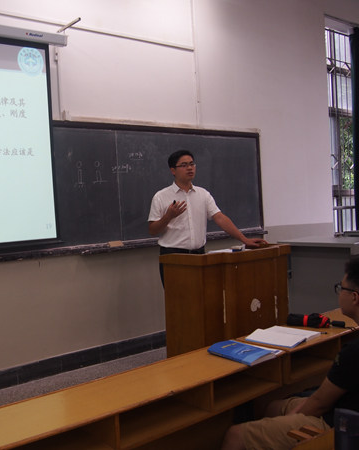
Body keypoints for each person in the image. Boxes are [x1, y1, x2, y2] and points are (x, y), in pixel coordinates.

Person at [221, 257, 359, 450]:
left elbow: (319, 403)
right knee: (271, 406)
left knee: (234, 435)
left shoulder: (352, 353)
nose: (339, 293)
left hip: (339, 426)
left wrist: (292, 418)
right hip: (343, 407)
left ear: (354, 297)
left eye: (340, 288)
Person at [148, 149, 267, 283]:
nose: (189, 168)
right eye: (184, 165)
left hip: (199, 256)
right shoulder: (161, 197)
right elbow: (152, 230)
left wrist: (244, 239)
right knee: (178, 296)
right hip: (173, 257)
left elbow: (220, 218)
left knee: (202, 295)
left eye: (192, 164)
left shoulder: (203, 194)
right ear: (173, 170)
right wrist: (168, 216)